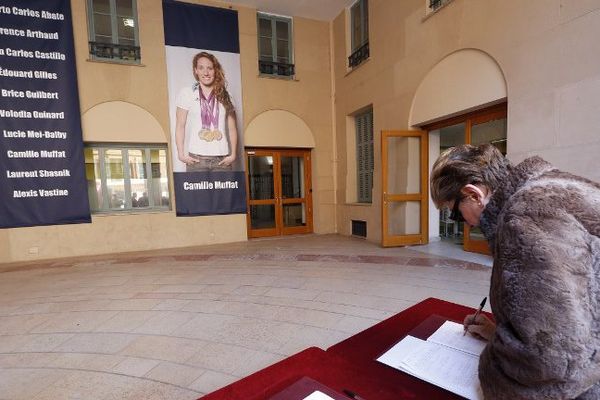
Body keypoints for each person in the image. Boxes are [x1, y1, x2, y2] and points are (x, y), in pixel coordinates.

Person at [430, 144, 600, 399]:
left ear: (473, 194)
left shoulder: (525, 217)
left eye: (455, 214)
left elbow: (552, 362)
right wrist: (497, 334)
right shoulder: (554, 187)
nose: (464, 224)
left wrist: (497, 377)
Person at [175, 51, 237, 171]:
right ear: (196, 70)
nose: (206, 72)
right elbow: (180, 126)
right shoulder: (187, 93)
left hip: (222, 160)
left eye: (210, 68)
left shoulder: (226, 95)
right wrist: (181, 154)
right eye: (201, 68)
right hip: (196, 160)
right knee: (196, 190)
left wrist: (233, 154)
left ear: (215, 70)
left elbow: (232, 128)